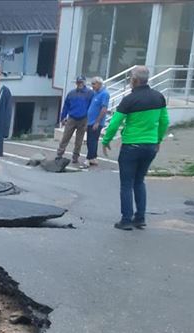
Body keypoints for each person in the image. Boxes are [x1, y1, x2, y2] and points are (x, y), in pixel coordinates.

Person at [101, 66, 168, 231]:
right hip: (150, 146)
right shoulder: (159, 97)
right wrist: (158, 140)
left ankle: (126, 219)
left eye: (131, 77)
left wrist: (106, 140)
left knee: (126, 183)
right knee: (139, 181)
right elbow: (165, 121)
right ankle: (140, 217)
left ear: (135, 80)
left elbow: (115, 122)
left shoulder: (129, 100)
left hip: (132, 145)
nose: (130, 80)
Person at [57, 76, 93, 165]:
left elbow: (92, 107)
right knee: (65, 138)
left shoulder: (90, 93)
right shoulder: (71, 93)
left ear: (84, 83)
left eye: (81, 82)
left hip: (83, 119)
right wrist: (62, 117)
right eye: (78, 82)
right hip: (71, 118)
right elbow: (66, 106)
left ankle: (75, 157)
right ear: (76, 83)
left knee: (79, 140)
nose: (79, 84)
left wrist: (90, 120)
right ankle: (59, 154)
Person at [84, 77, 109, 168]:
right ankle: (93, 157)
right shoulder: (95, 93)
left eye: (94, 84)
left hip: (96, 122)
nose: (92, 86)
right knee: (90, 140)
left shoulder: (104, 94)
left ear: (99, 84)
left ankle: (88, 158)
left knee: (92, 140)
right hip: (90, 121)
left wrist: (97, 122)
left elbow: (104, 109)